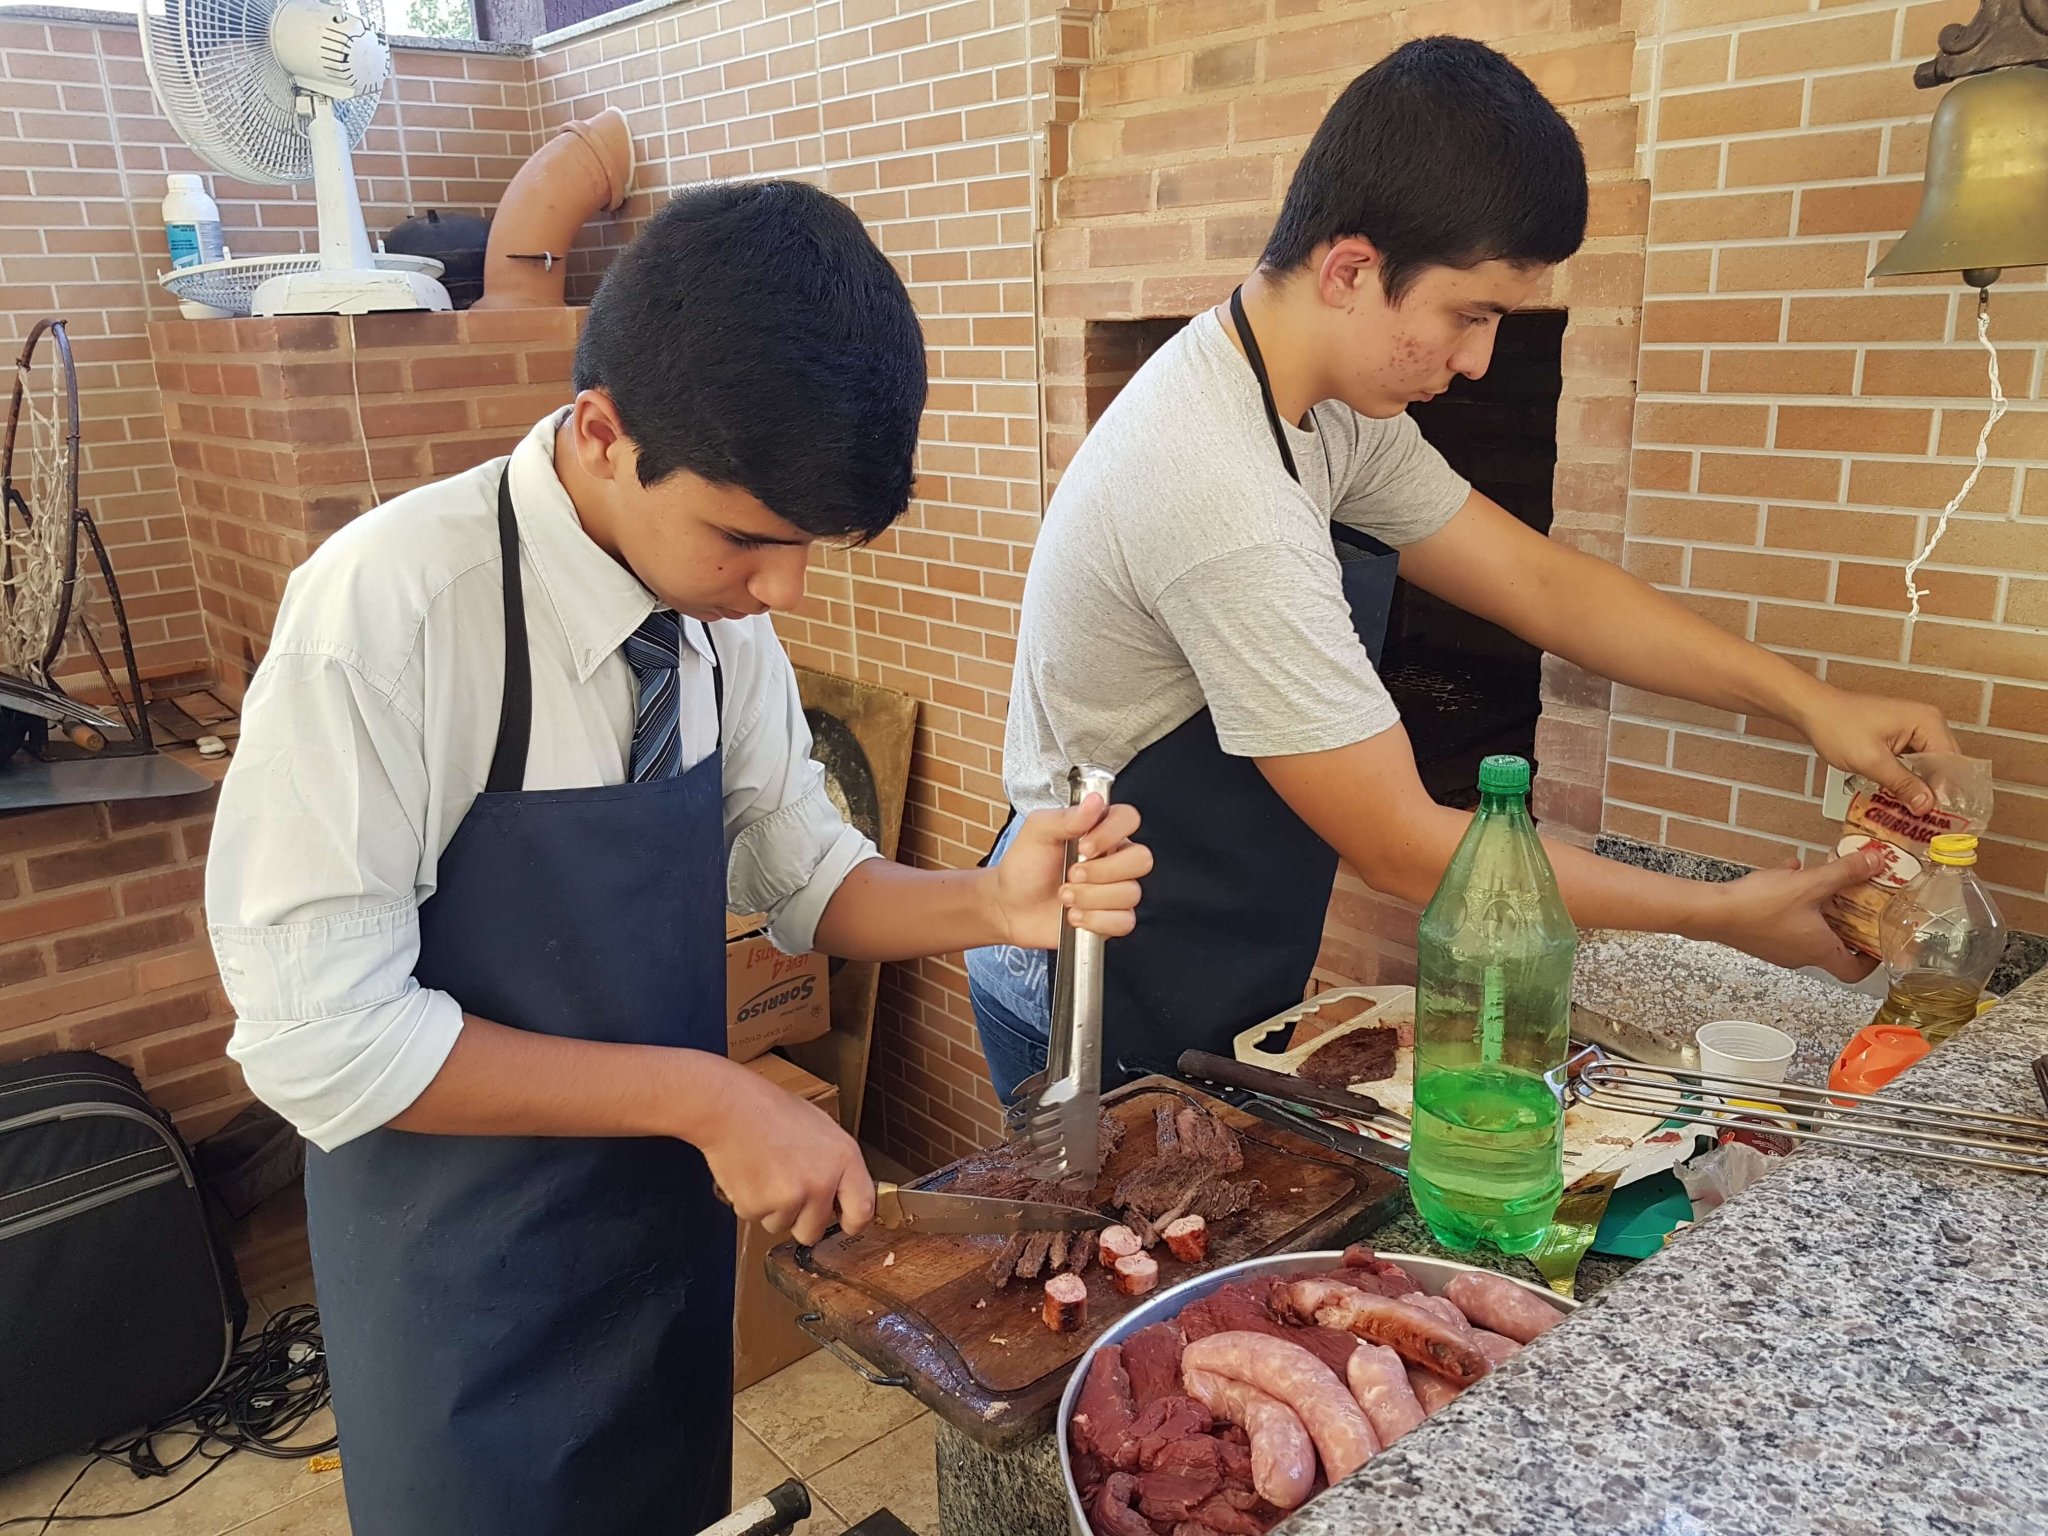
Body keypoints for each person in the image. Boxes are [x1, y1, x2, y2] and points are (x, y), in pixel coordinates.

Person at [203, 182, 1150, 1536]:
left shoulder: (711, 618)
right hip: (462, 1290)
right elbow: (320, 1040)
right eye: (747, 539)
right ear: (602, 433)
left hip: (661, 1251)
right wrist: (705, 1095)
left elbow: (800, 872)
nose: (781, 593)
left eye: (806, 547)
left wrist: (993, 900)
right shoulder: (390, 615)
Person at [966, 36, 1955, 1103]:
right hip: (1090, 967)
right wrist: (1726, 914)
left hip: (1200, 938)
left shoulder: (1326, 408)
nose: (1478, 359)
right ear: (1350, 270)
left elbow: (1541, 585)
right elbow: (1398, 844)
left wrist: (1810, 704)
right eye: (1467, 314)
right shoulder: (1219, 489)